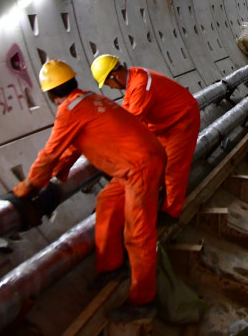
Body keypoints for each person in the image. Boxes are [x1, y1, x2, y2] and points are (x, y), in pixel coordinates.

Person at [13, 59, 165, 320]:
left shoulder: (69, 111)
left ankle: (142, 302)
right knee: (106, 203)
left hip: (141, 168)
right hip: (137, 164)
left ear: (50, 93)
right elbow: (73, 146)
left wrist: (30, 186)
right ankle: (110, 267)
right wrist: (58, 175)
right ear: (73, 81)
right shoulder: (88, 100)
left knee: (137, 235)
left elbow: (50, 152)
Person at [91, 55, 201, 225]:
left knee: (173, 167)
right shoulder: (133, 80)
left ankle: (171, 212)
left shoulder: (141, 85)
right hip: (163, 121)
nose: (110, 88)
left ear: (115, 76)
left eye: (108, 83)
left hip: (182, 120)